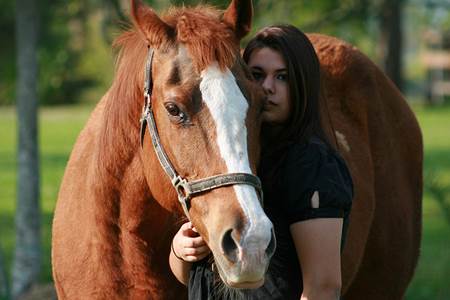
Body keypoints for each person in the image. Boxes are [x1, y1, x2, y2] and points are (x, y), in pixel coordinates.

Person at [169, 24, 353, 300]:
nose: (267, 87)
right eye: (256, 75)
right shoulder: (232, 158)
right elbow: (196, 279)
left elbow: (323, 288)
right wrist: (181, 250)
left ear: (303, 83)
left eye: (282, 77)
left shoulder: (311, 165)